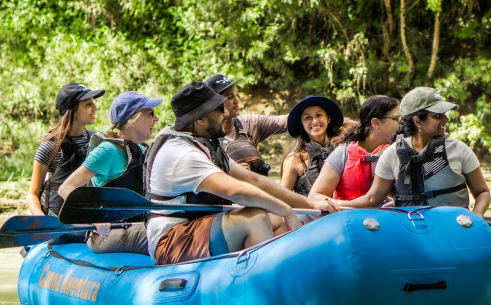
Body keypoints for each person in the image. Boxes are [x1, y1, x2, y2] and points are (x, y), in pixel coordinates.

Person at [143, 82, 335, 265]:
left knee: (278, 218)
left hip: (200, 226)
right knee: (256, 219)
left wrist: (309, 204)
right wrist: (285, 209)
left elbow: (254, 180)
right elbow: (236, 191)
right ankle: (261, 281)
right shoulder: (182, 153)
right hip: (170, 241)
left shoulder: (203, 142)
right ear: (199, 119)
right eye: (219, 109)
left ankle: (286, 266)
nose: (226, 114)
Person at [338, 87, 491, 215]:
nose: (446, 119)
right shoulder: (392, 155)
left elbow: (482, 193)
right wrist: (338, 205)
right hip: (410, 233)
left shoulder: (459, 150)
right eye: (437, 116)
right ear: (417, 121)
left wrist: (475, 218)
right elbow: (372, 200)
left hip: (452, 228)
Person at [53, 91, 162, 255]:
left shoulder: (139, 150)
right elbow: (66, 188)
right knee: (161, 235)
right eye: (150, 113)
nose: (156, 119)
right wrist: (93, 217)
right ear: (132, 120)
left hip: (134, 226)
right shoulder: (108, 150)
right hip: (105, 234)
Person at [25, 83, 104, 216]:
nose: (95, 108)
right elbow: (32, 195)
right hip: (56, 222)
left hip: (88, 221)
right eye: (88, 104)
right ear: (71, 109)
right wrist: (43, 222)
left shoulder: (97, 141)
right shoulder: (49, 147)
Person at [308, 95, 400, 204]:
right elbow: (314, 197)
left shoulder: (400, 151)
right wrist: (340, 205)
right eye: (396, 119)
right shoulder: (343, 154)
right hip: (348, 217)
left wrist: (398, 202)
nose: (401, 123)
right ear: (376, 123)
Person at [203, 73, 288, 175]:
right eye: (230, 97)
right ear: (213, 104)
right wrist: (230, 170)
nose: (236, 100)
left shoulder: (247, 122)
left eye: (236, 95)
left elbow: (286, 121)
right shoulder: (204, 136)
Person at [280, 95, 344, 197]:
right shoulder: (294, 159)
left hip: (343, 210)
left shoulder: (344, 149)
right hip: (309, 212)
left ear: (328, 119)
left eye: (319, 115)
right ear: (302, 124)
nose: (314, 121)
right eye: (308, 117)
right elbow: (282, 197)